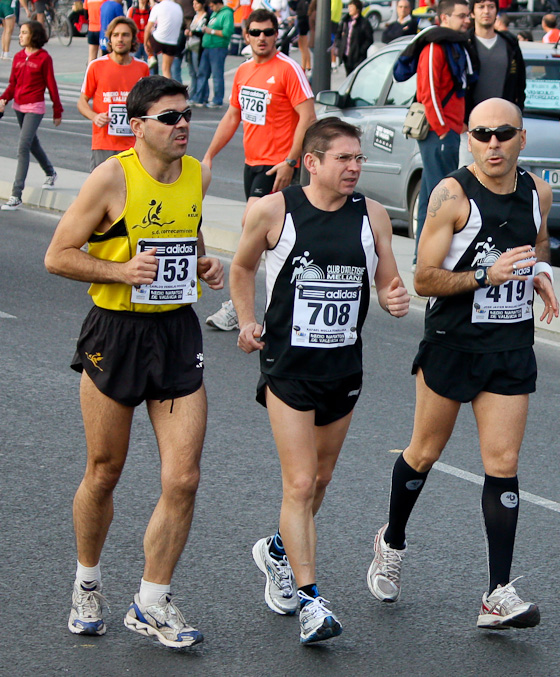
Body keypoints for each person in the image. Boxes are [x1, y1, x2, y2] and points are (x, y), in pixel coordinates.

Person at [44, 75, 225, 646]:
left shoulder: (196, 174)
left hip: (175, 332)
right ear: (138, 125)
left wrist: (203, 264)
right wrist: (121, 271)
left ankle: (152, 600)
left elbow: (186, 238)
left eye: (187, 114)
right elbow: (58, 256)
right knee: (105, 470)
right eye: (169, 118)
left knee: (184, 477)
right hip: (115, 332)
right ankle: (87, 581)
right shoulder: (112, 177)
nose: (182, 126)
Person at [365, 98, 559, 630]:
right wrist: (485, 276)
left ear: (522, 138)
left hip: (510, 345)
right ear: (468, 140)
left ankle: (497, 594)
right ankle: (393, 540)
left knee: (503, 461)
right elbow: (424, 277)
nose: (492, 143)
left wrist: (538, 272)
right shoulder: (452, 194)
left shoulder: (537, 192)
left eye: (503, 134)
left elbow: (538, 246)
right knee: (424, 452)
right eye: (481, 134)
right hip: (453, 342)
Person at [232, 117, 410, 644]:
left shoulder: (372, 215)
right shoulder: (274, 210)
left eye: (359, 158)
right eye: (344, 159)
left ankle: (279, 552)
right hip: (288, 367)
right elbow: (241, 268)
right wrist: (246, 320)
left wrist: (396, 299)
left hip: (342, 368)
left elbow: (388, 282)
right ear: (312, 162)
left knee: (323, 480)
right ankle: (312, 602)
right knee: (301, 482)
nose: (355, 167)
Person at [203, 8, 316, 330]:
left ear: (276, 35)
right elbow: (232, 116)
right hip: (252, 163)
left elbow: (308, 117)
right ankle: (283, 302)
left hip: (277, 164)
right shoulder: (243, 71)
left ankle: (238, 307)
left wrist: (291, 161)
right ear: (247, 35)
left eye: (268, 32)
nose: (262, 38)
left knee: (251, 226)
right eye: (255, 33)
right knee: (272, 239)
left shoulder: (288, 69)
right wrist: (209, 155)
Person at [403, 0, 473, 267]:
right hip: (438, 131)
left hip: (449, 128)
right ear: (444, 17)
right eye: (461, 15)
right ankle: (428, 258)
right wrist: (443, 129)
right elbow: (428, 91)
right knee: (440, 194)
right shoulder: (434, 46)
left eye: (468, 15)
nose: (467, 20)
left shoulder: (453, 43)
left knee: (433, 193)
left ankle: (422, 256)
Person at [0, 21, 62, 211]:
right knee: (32, 143)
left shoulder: (44, 58)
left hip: (35, 107)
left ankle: (16, 194)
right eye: (20, 32)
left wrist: (57, 110)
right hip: (19, 106)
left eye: (24, 32)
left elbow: (51, 85)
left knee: (23, 146)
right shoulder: (18, 57)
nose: (19, 36)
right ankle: (50, 172)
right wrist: (3, 99)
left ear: (33, 35)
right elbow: (12, 84)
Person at [78, 17, 150, 172]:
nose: (120, 39)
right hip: (103, 143)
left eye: (125, 35)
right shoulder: (96, 66)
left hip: (133, 144)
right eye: (116, 35)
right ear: (109, 39)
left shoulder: (142, 68)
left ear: (132, 39)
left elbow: (148, 105)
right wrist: (94, 117)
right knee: (100, 192)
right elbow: (82, 101)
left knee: (129, 192)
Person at [466, 0, 525, 112]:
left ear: (497, 11)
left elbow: (520, 82)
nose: (486, 11)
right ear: (472, 13)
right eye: (481, 7)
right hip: (470, 119)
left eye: (491, 7)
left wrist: (518, 110)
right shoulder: (464, 44)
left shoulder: (510, 44)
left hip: (504, 118)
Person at [194, 0, 231, 107]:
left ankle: (217, 99)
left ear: (218, 3)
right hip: (208, 46)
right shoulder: (215, 13)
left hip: (218, 47)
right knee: (202, 73)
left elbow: (227, 32)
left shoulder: (227, 13)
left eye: (212, 6)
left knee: (217, 74)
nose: (211, 8)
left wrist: (212, 31)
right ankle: (200, 98)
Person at [146, 0, 184, 78]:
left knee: (148, 39)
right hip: (172, 42)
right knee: (166, 70)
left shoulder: (158, 7)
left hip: (158, 39)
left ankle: (151, 56)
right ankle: (168, 89)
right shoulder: (178, 7)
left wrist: (145, 44)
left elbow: (148, 28)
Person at [335, 0, 372, 76]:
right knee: (348, 76)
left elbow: (369, 39)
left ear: (358, 9)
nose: (349, 9)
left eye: (352, 7)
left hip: (358, 57)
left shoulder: (363, 22)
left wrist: (361, 50)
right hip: (346, 55)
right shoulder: (345, 21)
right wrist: (340, 45)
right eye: (349, 7)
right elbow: (338, 34)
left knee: (356, 76)